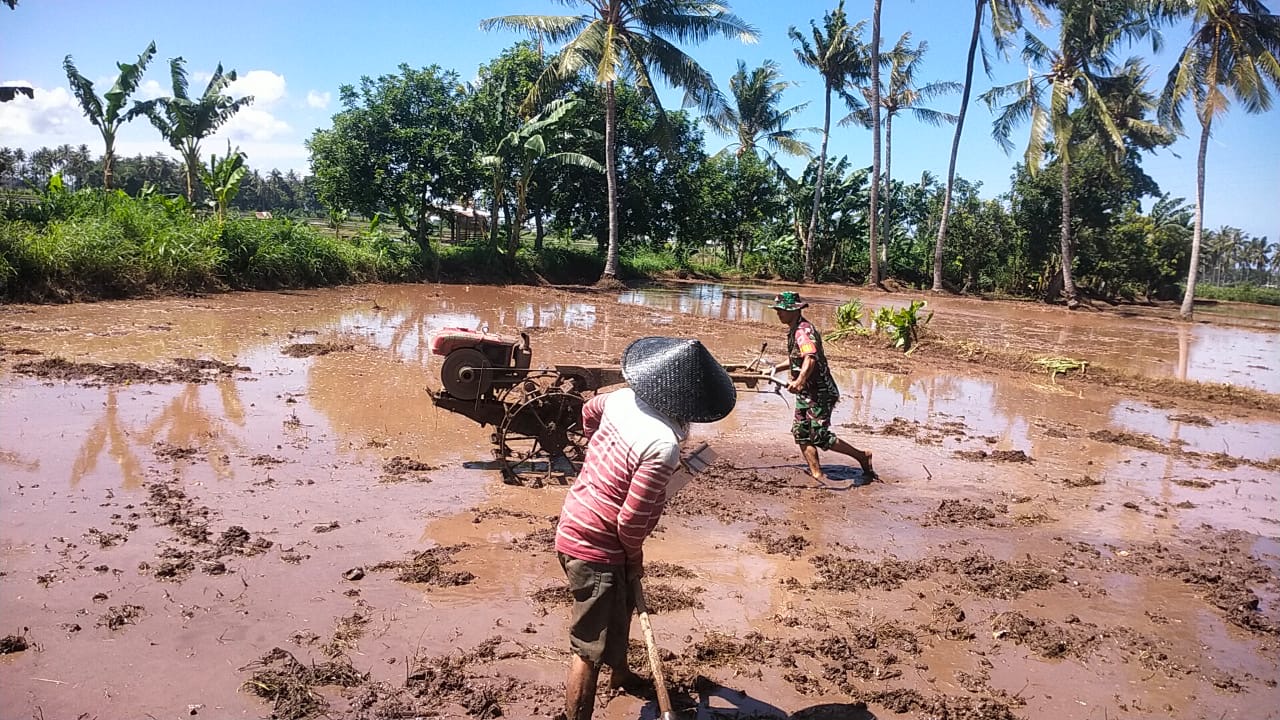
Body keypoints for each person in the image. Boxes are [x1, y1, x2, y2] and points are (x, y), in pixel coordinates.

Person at [556, 336, 737, 720]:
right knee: (587, 649)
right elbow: (630, 522)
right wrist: (634, 556)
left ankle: (621, 675)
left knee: (622, 604)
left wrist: (598, 452)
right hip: (597, 547)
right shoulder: (662, 445)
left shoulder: (619, 399)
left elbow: (588, 412)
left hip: (573, 518)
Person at [768, 291, 877, 483]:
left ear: (795, 310)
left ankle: (862, 455)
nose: (779, 313)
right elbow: (796, 358)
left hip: (821, 392)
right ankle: (817, 473)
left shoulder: (803, 331)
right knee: (801, 433)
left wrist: (799, 381)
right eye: (778, 309)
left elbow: (810, 357)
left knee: (819, 434)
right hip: (805, 393)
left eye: (782, 310)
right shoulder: (793, 330)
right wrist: (775, 368)